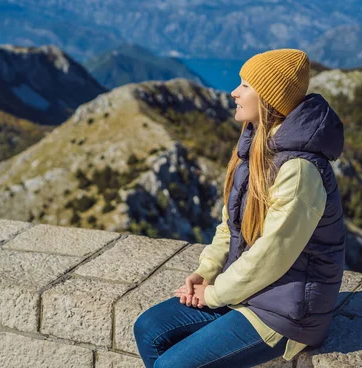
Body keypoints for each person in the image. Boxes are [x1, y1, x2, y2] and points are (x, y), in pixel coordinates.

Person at [133, 48, 346, 368]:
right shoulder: (255, 145)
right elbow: (229, 225)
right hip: (248, 291)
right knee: (149, 329)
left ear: (270, 98)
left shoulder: (299, 170)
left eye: (246, 85)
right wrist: (206, 272)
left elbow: (272, 254)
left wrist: (215, 295)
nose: (234, 92)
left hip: (286, 313)